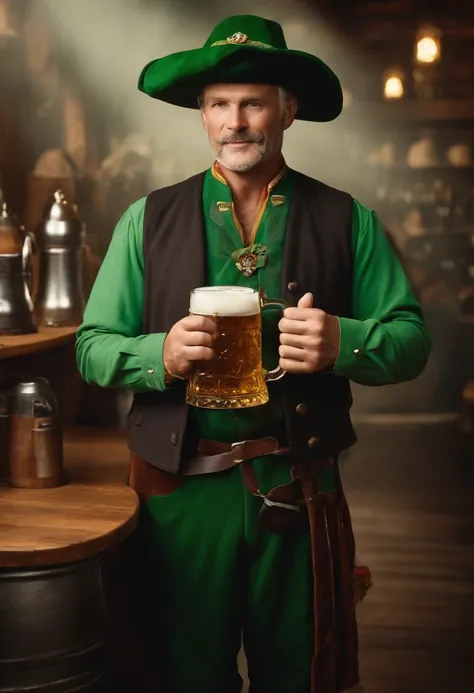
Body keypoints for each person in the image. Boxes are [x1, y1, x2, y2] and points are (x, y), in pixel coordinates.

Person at [76, 14, 432, 693]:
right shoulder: (144, 220)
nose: (235, 120)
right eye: (219, 104)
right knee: (183, 677)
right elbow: (92, 349)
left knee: (301, 678)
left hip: (299, 484)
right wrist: (161, 353)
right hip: (179, 497)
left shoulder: (347, 218)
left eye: (253, 102)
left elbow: (412, 341)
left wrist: (344, 342)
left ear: (287, 109)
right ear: (202, 116)